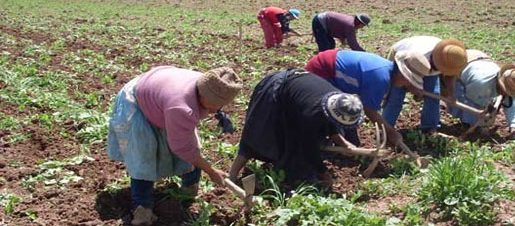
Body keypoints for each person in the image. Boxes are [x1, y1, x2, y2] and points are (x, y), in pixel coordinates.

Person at [107, 66, 242, 226]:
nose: (216, 110)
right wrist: (211, 171)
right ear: (203, 97)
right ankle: (142, 207)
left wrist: (219, 113)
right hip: (136, 101)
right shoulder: (181, 107)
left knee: (193, 145)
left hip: (160, 94)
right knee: (143, 155)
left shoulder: (211, 83)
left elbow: (189, 145)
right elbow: (183, 148)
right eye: (215, 106)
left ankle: (189, 188)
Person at [228, 69, 363, 188]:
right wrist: (324, 173)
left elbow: (330, 122)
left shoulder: (336, 99)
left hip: (294, 96)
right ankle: (232, 175)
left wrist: (344, 143)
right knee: (257, 135)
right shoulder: (312, 114)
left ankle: (284, 167)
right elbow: (308, 148)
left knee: (292, 140)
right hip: (275, 88)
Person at [304, 49, 429, 147]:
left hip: (333, 71)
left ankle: (344, 141)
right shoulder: (380, 78)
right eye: (409, 81)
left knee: (349, 129)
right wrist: (391, 132)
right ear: (402, 73)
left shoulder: (387, 70)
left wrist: (414, 89)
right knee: (330, 112)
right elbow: (369, 110)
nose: (407, 85)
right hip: (321, 70)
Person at [382, 36, 467, 133]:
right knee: (396, 96)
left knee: (434, 95)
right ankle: (386, 129)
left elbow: (450, 75)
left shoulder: (450, 57)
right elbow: (407, 74)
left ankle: (429, 127)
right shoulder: (416, 57)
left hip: (429, 63)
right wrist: (413, 86)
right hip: (404, 60)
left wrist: (451, 93)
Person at [447, 49, 515, 138]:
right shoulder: (480, 84)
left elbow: (512, 105)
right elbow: (471, 97)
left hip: (479, 60)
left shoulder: (510, 85)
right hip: (461, 64)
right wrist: (487, 112)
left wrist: (513, 127)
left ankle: (477, 124)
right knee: (469, 103)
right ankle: (469, 125)